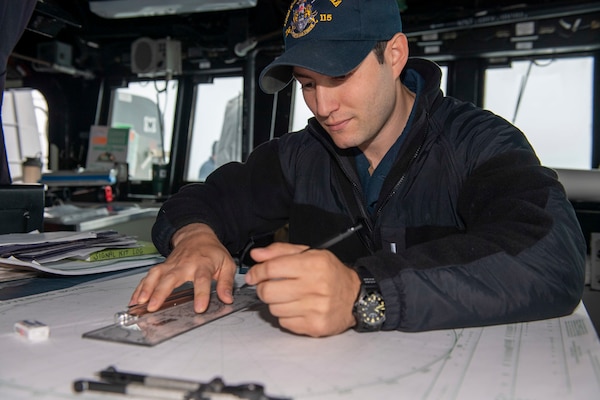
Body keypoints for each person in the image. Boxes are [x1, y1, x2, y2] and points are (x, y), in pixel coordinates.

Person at [130, 0, 585, 338]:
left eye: (340, 77)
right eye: (307, 84)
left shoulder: (478, 144)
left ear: (394, 55)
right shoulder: (301, 155)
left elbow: (551, 258)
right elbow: (200, 201)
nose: (323, 106)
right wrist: (195, 239)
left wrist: (362, 293)